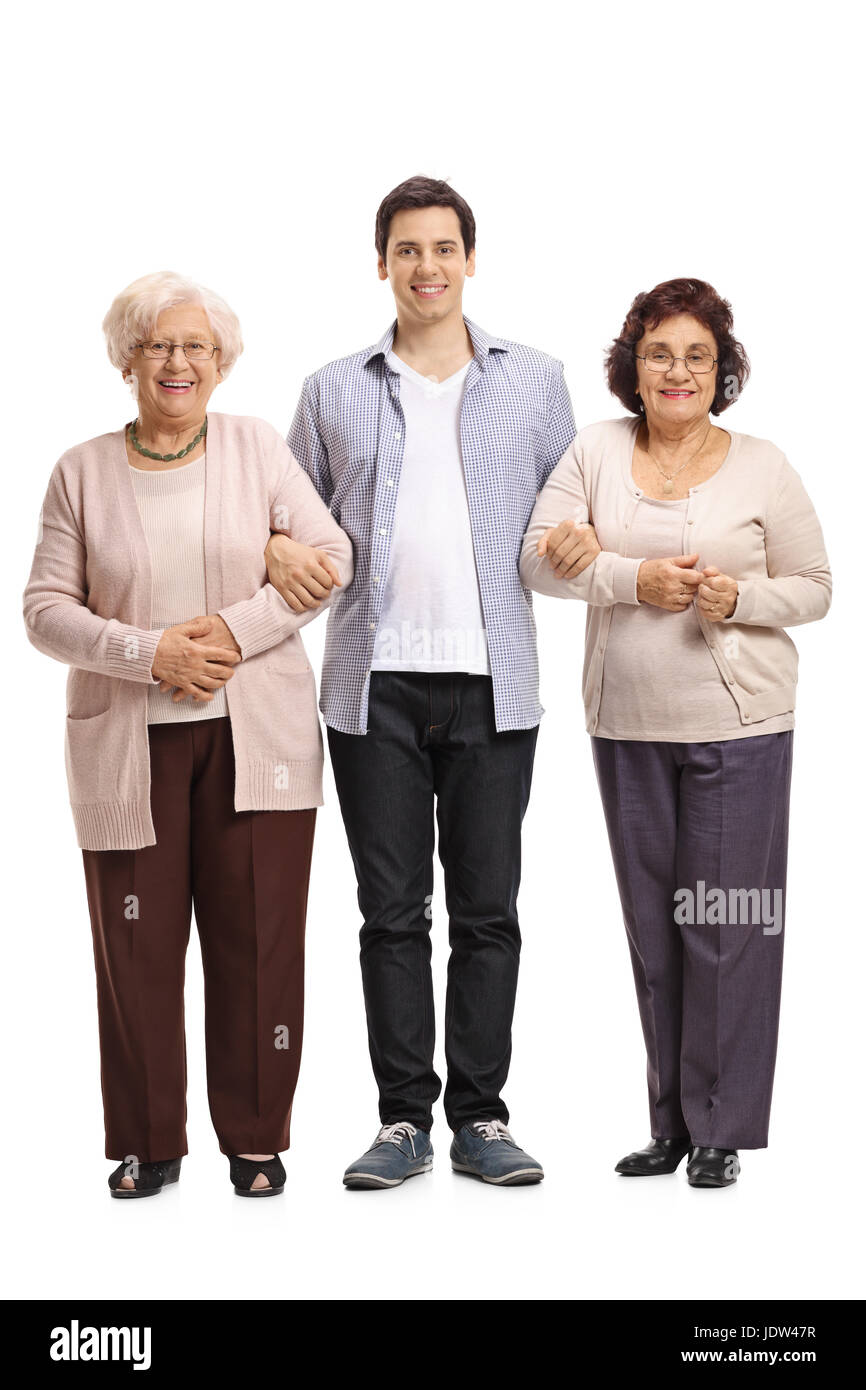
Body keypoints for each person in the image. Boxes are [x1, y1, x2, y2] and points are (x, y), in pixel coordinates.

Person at [264, 175, 575, 1187]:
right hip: (371, 687)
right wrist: (275, 551)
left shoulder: (534, 382)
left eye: (444, 248)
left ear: (469, 259)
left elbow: (567, 513)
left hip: (496, 684)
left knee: (488, 909)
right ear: (382, 263)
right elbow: (284, 518)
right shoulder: (331, 388)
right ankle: (402, 1121)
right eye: (408, 249)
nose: (427, 267)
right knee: (390, 912)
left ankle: (481, 1118)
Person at [23, 271, 352, 1198]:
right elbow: (45, 610)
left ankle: (255, 1136)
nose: (178, 362)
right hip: (129, 749)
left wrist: (233, 632)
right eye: (159, 346)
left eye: (196, 347)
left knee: (259, 943)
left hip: (260, 745)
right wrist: (147, 651)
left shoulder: (257, 449)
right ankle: (144, 1138)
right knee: (136, 947)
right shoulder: (81, 470)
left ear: (221, 364)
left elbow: (332, 558)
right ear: (128, 360)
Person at [519, 277, 831, 1187]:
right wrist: (625, 578)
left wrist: (741, 599)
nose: (678, 370)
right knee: (657, 927)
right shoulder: (594, 451)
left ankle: (721, 1125)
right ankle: (671, 1124)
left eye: (698, 354)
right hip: (626, 723)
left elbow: (815, 586)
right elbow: (538, 559)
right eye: (660, 352)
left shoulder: (763, 464)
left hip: (739, 727)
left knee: (726, 924)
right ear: (634, 365)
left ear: (721, 368)